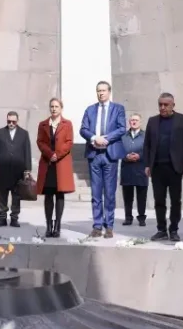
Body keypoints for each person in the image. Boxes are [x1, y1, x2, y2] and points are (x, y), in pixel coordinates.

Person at [143, 93, 183, 242]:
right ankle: (161, 229)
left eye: (166, 105)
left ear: (173, 105)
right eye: (160, 104)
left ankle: (174, 229)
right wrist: (147, 164)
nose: (162, 107)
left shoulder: (182, 120)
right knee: (159, 200)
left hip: (175, 167)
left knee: (175, 200)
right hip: (157, 167)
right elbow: (147, 145)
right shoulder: (152, 121)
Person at [79, 81, 126, 239]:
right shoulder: (90, 110)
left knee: (110, 193)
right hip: (94, 155)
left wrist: (106, 139)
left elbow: (121, 128)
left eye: (104, 90)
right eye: (99, 91)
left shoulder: (118, 109)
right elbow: (83, 129)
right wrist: (94, 138)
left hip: (110, 155)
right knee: (96, 193)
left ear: (109, 92)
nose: (101, 93)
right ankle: (97, 226)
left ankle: (109, 226)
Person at [36, 98, 75, 237]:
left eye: (56, 106)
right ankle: (48, 225)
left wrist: (57, 154)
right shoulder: (43, 124)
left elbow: (69, 142)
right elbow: (40, 142)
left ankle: (57, 225)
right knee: (48, 195)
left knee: (59, 194)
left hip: (61, 163)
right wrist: (49, 154)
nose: (54, 109)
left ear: (61, 108)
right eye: (52, 106)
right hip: (47, 163)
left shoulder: (67, 124)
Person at [0, 111, 31, 228]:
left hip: (18, 169)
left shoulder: (24, 133)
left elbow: (27, 151)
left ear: (17, 121)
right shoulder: (0, 132)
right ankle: (2, 218)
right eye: (9, 121)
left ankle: (14, 218)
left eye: (13, 121)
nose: (11, 123)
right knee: (3, 194)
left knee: (16, 195)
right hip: (3, 168)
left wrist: (27, 169)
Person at [120, 113, 148, 226]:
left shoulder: (146, 135)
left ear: (140, 122)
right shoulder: (123, 136)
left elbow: (149, 150)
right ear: (129, 122)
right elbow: (118, 150)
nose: (134, 122)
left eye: (136, 120)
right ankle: (128, 217)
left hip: (141, 170)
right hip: (127, 170)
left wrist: (139, 156)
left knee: (141, 196)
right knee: (127, 197)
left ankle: (141, 218)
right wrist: (125, 156)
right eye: (132, 120)